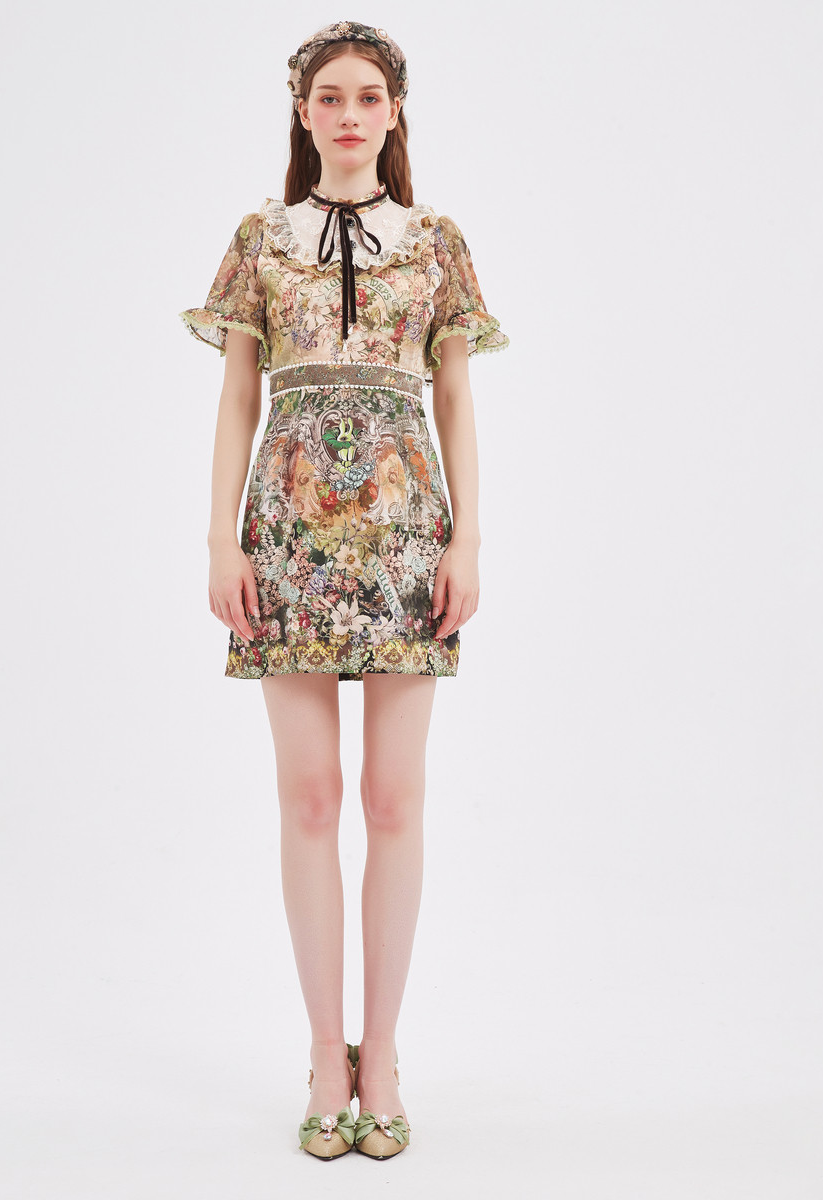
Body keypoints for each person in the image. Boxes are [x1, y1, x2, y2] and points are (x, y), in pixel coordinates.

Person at [178, 20, 508, 1160]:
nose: (351, 113)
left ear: (396, 110)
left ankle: (386, 1053)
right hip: (288, 533)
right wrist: (221, 542)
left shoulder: (437, 242)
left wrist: (469, 541)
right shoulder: (261, 238)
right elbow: (237, 398)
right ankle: (328, 1052)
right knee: (312, 798)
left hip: (409, 534)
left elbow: (456, 398)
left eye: (370, 96)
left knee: (395, 801)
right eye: (331, 96)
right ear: (303, 110)